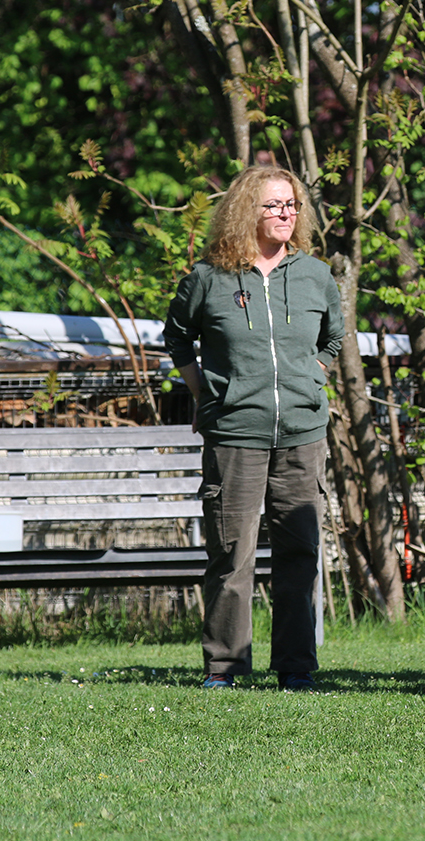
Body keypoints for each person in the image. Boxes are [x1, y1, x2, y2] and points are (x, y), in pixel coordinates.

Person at [163, 165, 344, 691]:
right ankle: (225, 667)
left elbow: (334, 337)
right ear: (247, 211)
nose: (286, 214)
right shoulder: (208, 278)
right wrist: (205, 392)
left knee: (299, 555)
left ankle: (295, 667)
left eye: (292, 205)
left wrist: (313, 375)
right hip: (234, 434)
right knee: (231, 554)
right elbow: (177, 337)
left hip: (302, 433)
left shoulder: (315, 275)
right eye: (274, 205)